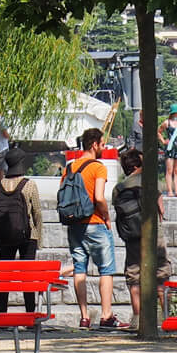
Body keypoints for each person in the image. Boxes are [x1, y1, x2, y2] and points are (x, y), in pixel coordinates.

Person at [65, 128, 122, 330]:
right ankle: (106, 315)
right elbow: (98, 197)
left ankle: (84, 316)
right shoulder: (99, 167)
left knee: (79, 269)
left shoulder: (70, 167)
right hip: (95, 223)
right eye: (102, 144)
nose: (104, 148)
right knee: (106, 270)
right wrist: (106, 217)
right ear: (94, 144)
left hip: (74, 225)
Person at [114, 147, 169, 331]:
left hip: (132, 237)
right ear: (139, 164)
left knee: (134, 276)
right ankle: (166, 319)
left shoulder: (119, 188)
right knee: (161, 276)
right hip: (153, 234)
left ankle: (138, 320)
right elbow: (161, 209)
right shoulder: (150, 182)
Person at [0, 148, 43, 314]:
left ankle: (2, 315)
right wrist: (38, 239)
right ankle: (29, 314)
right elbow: (37, 213)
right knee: (27, 277)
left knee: (4, 276)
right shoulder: (29, 185)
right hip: (28, 235)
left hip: (5, 235)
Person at [159, 105, 177, 198]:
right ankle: (170, 191)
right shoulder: (166, 123)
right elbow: (158, 131)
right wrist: (163, 141)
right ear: (174, 113)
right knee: (169, 170)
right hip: (170, 147)